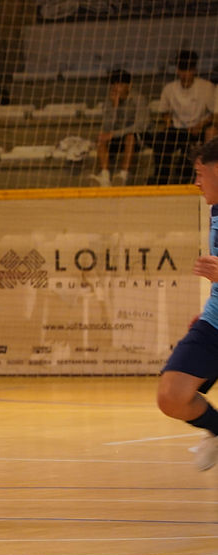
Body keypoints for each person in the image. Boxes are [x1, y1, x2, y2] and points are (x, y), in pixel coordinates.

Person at [157, 137, 218, 472]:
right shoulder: (215, 210)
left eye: (199, 173)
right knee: (171, 396)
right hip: (215, 323)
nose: (196, 182)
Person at [148, 50, 214, 185]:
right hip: (177, 129)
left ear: (194, 70)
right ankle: (161, 179)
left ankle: (189, 178)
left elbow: (215, 114)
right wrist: (169, 124)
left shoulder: (206, 87)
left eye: (188, 70)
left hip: (198, 129)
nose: (184, 74)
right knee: (161, 140)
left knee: (190, 145)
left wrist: (200, 125)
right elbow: (164, 112)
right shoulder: (169, 88)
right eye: (181, 70)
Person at [90, 69, 148, 187]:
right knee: (101, 138)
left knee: (130, 136)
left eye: (120, 84)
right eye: (114, 84)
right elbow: (107, 128)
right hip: (117, 139)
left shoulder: (138, 99)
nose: (117, 88)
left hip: (137, 139)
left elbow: (140, 126)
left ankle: (123, 176)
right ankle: (105, 177)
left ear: (129, 85)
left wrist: (113, 134)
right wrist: (115, 107)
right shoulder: (109, 102)